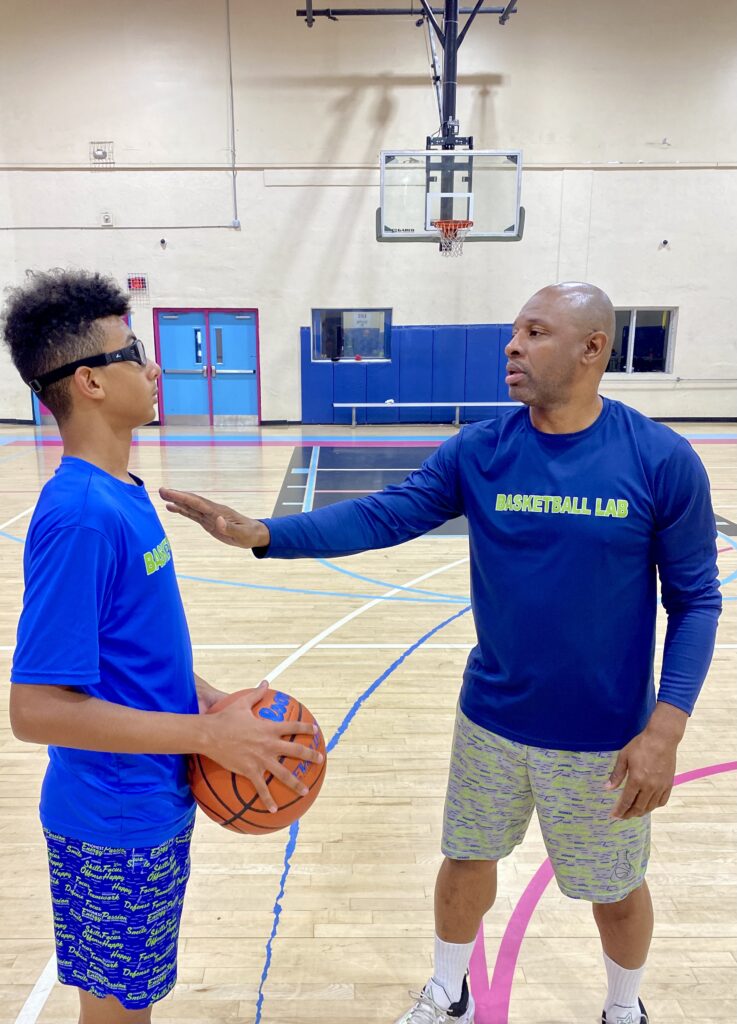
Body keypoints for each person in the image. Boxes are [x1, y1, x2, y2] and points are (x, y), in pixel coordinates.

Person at [158, 282, 721, 1024]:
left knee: (613, 887)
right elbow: (387, 514)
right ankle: (448, 991)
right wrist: (268, 535)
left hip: (603, 737)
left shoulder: (659, 460)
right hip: (490, 717)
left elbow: (696, 600)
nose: (511, 345)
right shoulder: (482, 450)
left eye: (534, 332)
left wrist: (665, 729)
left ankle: (624, 1008)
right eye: (513, 331)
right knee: (464, 860)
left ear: (592, 349)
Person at [2, 269, 323, 1024]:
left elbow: (130, 650)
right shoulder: (80, 515)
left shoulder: (126, 491)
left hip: (149, 803)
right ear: (89, 383)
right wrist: (209, 733)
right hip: (113, 819)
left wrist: (208, 696)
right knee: (116, 1016)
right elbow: (37, 708)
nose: (151, 367)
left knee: (128, 1005)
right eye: (132, 352)